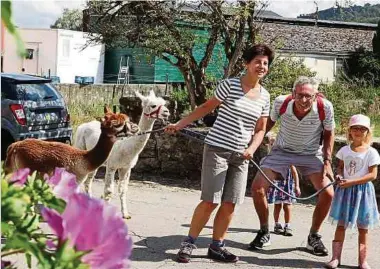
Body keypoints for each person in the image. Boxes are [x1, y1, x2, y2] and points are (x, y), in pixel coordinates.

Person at [165, 44, 274, 263]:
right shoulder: (230, 85)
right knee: (210, 201)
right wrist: (180, 123)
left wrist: (252, 149)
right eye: (257, 62)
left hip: (242, 156)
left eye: (265, 63)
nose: (261, 66)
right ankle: (189, 243)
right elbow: (206, 107)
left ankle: (217, 246)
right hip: (218, 150)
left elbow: (261, 129)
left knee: (230, 203)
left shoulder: (264, 96)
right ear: (247, 64)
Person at [250, 76, 335, 256]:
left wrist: (327, 162)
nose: (304, 100)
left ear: (315, 96)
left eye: (308, 96)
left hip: (311, 153)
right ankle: (264, 232)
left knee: (328, 193)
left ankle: (314, 237)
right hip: (282, 151)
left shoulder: (325, 107)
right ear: (293, 93)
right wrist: (251, 145)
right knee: (257, 188)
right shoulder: (282, 102)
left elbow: (329, 134)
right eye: (300, 95)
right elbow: (267, 124)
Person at [325, 114, 380, 269]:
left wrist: (352, 182)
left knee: (363, 227)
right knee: (341, 225)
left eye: (362, 129)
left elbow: (372, 175)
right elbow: (341, 168)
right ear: (349, 131)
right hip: (345, 193)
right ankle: (335, 258)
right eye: (355, 128)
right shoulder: (344, 150)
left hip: (363, 193)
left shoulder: (371, 152)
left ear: (367, 132)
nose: (358, 131)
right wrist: (339, 175)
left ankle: (363, 261)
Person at [264, 132, 301, 236]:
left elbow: (294, 172)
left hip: (287, 186)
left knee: (287, 205)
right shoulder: (271, 159)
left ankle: (287, 225)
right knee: (277, 205)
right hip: (276, 185)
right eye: (272, 145)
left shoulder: (288, 158)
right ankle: (277, 224)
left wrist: (297, 186)